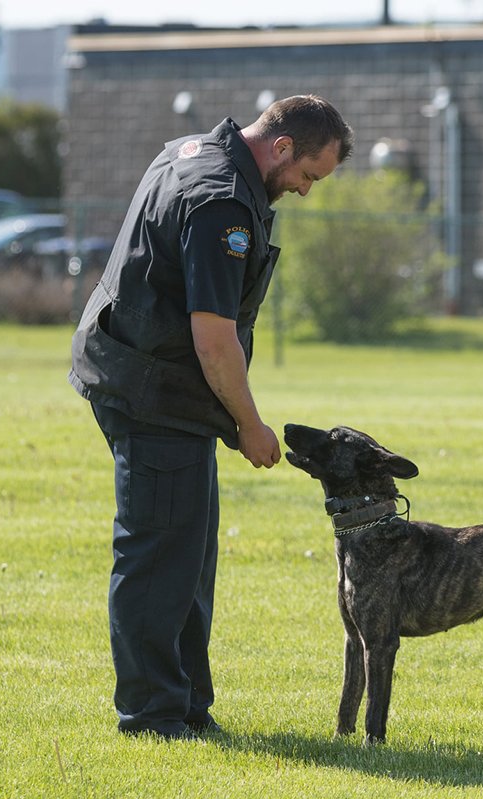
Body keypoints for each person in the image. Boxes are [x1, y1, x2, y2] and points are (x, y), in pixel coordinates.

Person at [69, 95, 354, 739]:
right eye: (309, 175)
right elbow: (213, 337)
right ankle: (153, 716)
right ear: (281, 147)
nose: (306, 192)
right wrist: (250, 425)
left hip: (147, 375)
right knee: (159, 553)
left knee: (188, 550)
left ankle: (187, 704)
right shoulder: (223, 201)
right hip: (154, 390)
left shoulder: (191, 150)